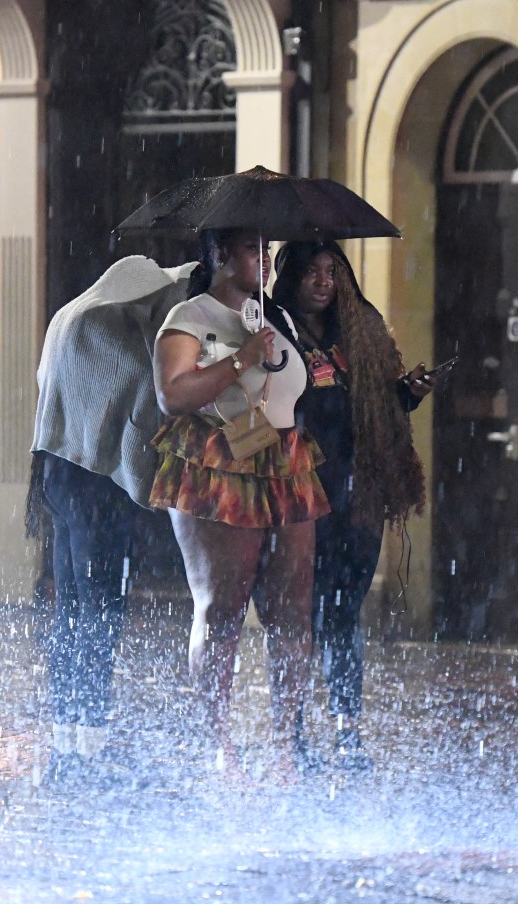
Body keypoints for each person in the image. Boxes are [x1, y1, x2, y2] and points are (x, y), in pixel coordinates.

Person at [149, 228, 330, 782]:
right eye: (253, 250)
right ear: (220, 255)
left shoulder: (276, 317)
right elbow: (173, 393)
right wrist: (241, 359)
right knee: (223, 609)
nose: (265, 259)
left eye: (268, 250)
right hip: (217, 461)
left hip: (282, 460)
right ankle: (220, 745)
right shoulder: (189, 319)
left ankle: (282, 744)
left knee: (293, 610)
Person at [26, 254, 195, 785]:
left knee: (73, 608)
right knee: (101, 609)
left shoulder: (71, 317)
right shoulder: (116, 333)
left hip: (60, 470)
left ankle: (66, 739)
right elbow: (149, 403)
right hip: (97, 482)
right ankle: (90, 746)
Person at [272, 239, 431, 770]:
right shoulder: (272, 330)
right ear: (291, 276)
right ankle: (290, 729)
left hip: (354, 494)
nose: (323, 281)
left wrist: (407, 392)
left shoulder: (356, 333)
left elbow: (380, 402)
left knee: (344, 615)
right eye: (313, 272)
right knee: (297, 619)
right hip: (298, 496)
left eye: (332, 271)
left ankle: (347, 731)